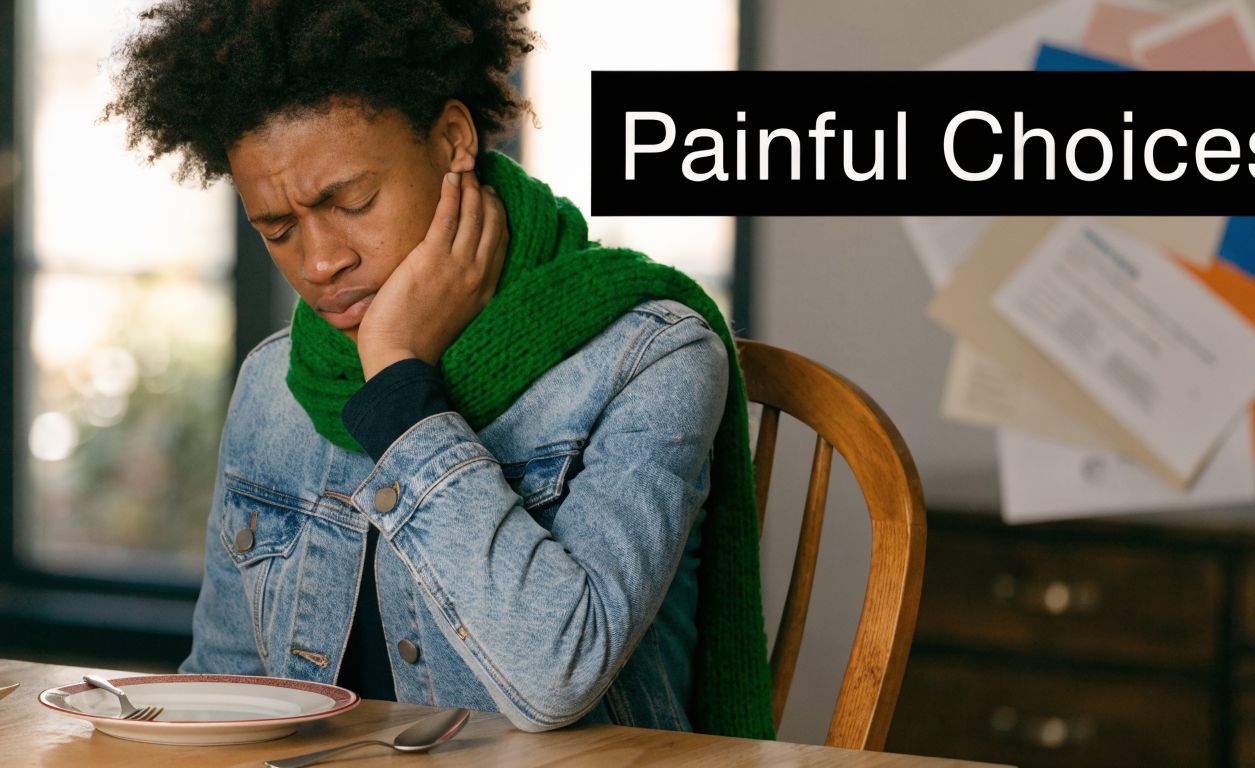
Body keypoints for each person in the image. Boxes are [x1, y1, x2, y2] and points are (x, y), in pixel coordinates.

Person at [105, 0, 774, 738]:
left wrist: (398, 381)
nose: (321, 262)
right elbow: (226, 689)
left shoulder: (651, 359)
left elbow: (556, 677)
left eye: (353, 202)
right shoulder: (276, 384)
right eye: (279, 228)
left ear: (454, 139)